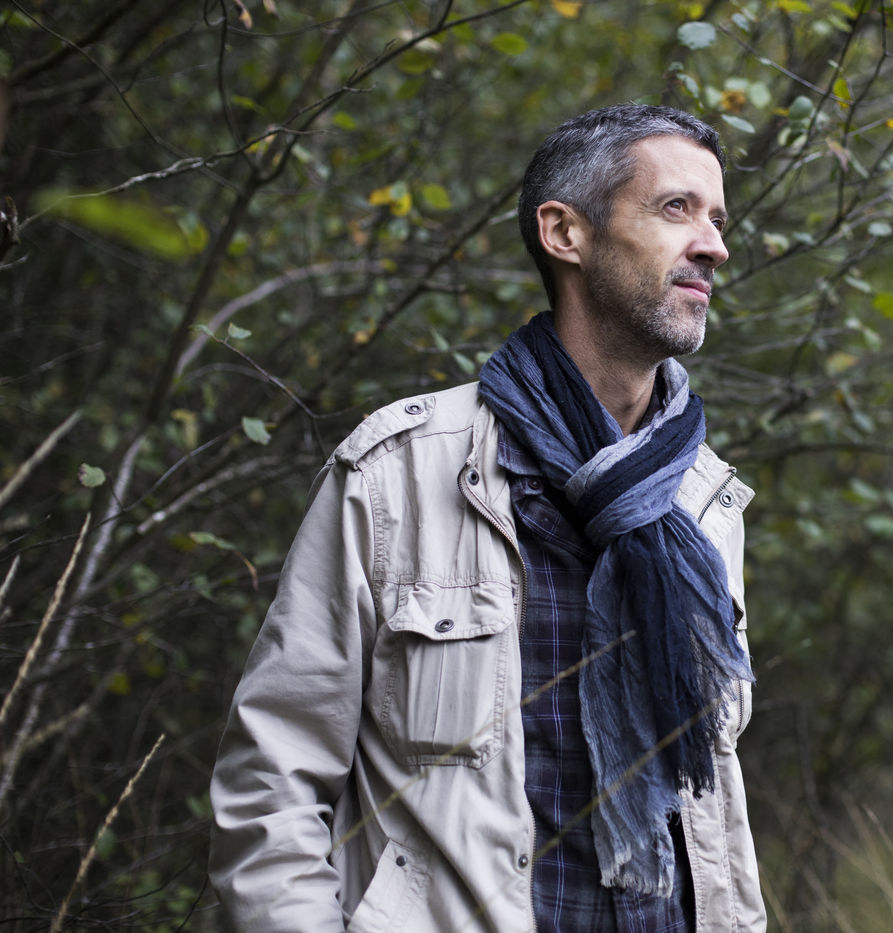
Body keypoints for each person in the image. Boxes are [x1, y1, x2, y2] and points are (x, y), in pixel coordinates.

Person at [208, 104, 765, 932]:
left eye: (717, 219)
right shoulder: (398, 472)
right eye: (676, 208)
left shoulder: (703, 503)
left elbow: (713, 813)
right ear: (564, 232)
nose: (714, 245)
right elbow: (272, 784)